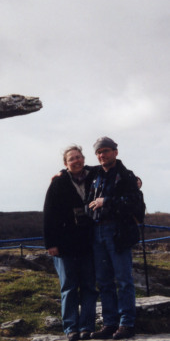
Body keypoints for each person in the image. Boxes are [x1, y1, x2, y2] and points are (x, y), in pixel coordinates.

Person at [87, 137, 141, 340]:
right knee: (104, 281)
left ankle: (127, 324)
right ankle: (110, 324)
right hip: (97, 231)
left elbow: (134, 202)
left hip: (118, 232)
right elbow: (86, 199)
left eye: (106, 151)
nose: (102, 155)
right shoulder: (94, 175)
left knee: (124, 280)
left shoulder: (126, 176)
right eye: (99, 152)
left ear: (115, 152)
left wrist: (106, 201)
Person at [43, 145, 98, 341]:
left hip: (88, 243)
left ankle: (87, 327)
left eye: (79, 157)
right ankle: (71, 328)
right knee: (68, 287)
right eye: (71, 159)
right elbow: (49, 214)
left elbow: (116, 170)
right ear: (66, 164)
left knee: (89, 287)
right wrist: (51, 243)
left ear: (84, 158)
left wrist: (136, 180)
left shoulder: (94, 174)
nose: (76, 161)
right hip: (64, 244)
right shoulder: (58, 183)